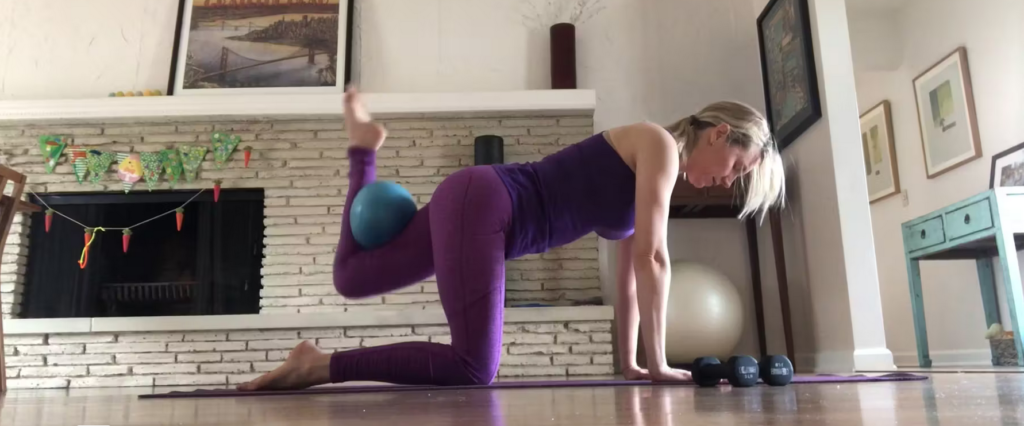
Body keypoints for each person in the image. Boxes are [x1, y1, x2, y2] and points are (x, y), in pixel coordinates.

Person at [238, 89, 785, 390]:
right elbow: (654, 259)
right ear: (719, 134)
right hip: (490, 202)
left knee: (352, 278)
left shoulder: (652, 171)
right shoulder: (659, 146)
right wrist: (663, 363)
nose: (729, 181)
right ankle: (319, 367)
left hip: (478, 206)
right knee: (475, 367)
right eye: (738, 166)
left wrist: (633, 362)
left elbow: (629, 272)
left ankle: (363, 149)